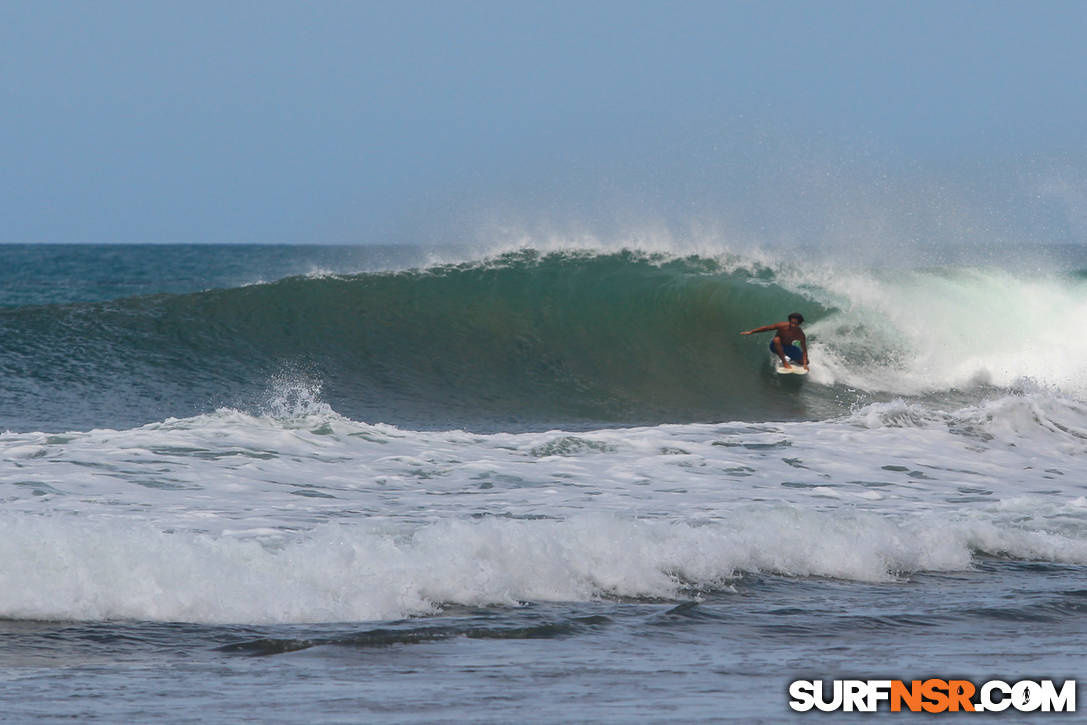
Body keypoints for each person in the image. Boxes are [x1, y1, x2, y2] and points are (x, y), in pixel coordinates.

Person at [740, 312, 809, 370]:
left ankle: (790, 358)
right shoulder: (782, 326)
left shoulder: (800, 334)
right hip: (775, 346)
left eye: (795, 324)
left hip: (788, 347)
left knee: (805, 362)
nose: (792, 325)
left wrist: (805, 364)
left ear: (799, 324)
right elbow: (767, 328)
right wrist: (751, 332)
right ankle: (784, 361)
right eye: (791, 322)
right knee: (776, 339)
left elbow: (804, 350)